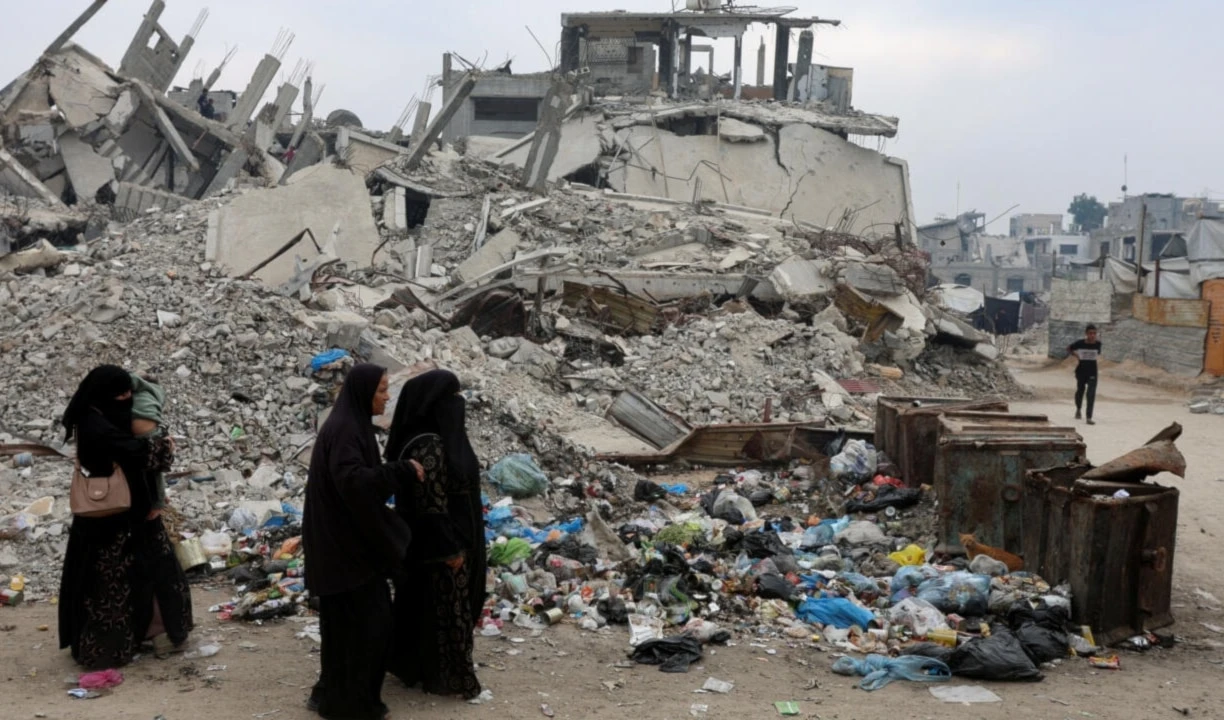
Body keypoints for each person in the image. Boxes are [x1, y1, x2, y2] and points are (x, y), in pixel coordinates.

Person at [302, 363, 422, 720]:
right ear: (363, 392)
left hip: (341, 545)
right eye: (383, 390)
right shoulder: (346, 431)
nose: (387, 397)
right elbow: (352, 482)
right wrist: (400, 472)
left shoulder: (351, 426)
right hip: (344, 550)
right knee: (367, 626)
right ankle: (350, 705)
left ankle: (333, 697)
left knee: (346, 627)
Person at [58, 365, 193, 669]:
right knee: (114, 587)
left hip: (131, 516)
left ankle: (157, 634)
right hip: (110, 521)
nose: (127, 398)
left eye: (129, 392)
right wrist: (161, 446)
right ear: (105, 395)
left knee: (154, 572)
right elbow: (134, 451)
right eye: (121, 394)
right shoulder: (95, 425)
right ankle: (117, 646)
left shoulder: (100, 415)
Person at [384, 369, 485, 700]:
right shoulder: (428, 445)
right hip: (440, 546)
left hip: (440, 541)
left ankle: (419, 667)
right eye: (451, 399)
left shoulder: (435, 438)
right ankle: (449, 676)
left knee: (427, 607)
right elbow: (432, 506)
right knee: (447, 609)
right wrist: (451, 549)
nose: (458, 405)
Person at [1067, 324, 1102, 424]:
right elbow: (1069, 348)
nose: (1092, 335)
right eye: (1090, 333)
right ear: (1086, 334)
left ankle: (1089, 417)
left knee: (1091, 394)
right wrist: (1076, 355)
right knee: (1080, 391)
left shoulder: (1098, 344)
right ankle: (1078, 409)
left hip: (1093, 372)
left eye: (1094, 333)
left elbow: (1097, 354)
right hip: (1081, 371)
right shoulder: (1080, 343)